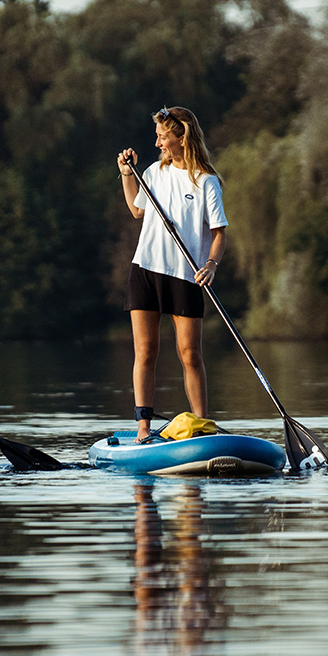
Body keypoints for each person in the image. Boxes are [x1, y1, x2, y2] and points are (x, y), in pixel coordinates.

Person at [117, 106, 227, 443]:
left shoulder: (206, 181)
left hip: (187, 275)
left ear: (182, 138)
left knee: (190, 354)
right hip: (146, 270)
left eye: (163, 137)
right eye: (157, 137)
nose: (157, 143)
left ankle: (202, 426)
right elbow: (137, 209)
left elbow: (219, 233)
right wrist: (126, 174)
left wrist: (210, 265)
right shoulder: (153, 172)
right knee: (146, 351)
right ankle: (143, 429)